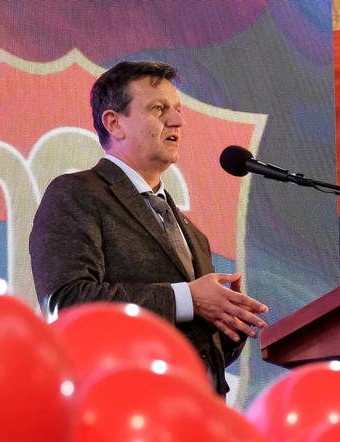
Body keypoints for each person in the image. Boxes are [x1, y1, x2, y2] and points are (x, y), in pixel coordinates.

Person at [29, 60, 266, 395]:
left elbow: (194, 345)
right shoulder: (77, 194)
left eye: (178, 109)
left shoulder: (191, 233)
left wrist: (230, 322)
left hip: (196, 414)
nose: (178, 120)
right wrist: (187, 298)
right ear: (114, 123)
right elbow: (67, 302)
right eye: (159, 109)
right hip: (118, 409)